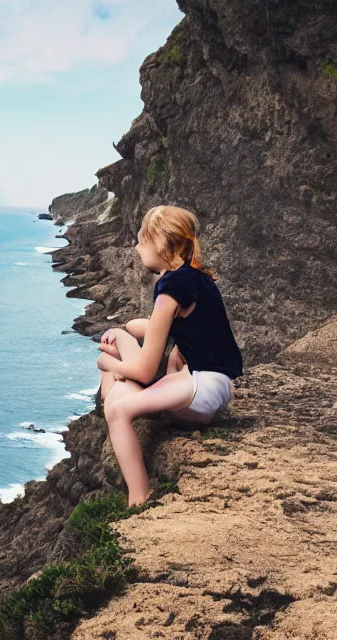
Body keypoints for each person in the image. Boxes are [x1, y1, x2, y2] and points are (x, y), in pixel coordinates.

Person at [96, 205, 243, 506]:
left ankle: (139, 496)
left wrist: (108, 362)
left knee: (118, 409)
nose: (137, 247)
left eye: (142, 240)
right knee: (120, 344)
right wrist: (128, 332)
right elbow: (186, 329)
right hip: (216, 383)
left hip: (201, 386)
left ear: (160, 243)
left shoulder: (171, 286)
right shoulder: (197, 278)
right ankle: (119, 388)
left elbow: (148, 369)